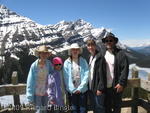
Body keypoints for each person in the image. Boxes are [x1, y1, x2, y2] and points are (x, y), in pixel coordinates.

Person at [101, 32, 129, 113]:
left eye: (111, 40)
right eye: (107, 41)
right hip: (106, 87)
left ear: (114, 42)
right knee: (107, 107)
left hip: (116, 86)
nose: (108, 42)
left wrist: (121, 83)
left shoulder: (121, 54)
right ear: (105, 42)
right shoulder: (103, 53)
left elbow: (125, 69)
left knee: (117, 107)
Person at [26, 45, 53, 113]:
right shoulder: (34, 66)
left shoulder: (49, 64)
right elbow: (30, 81)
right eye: (42, 53)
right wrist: (29, 96)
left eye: (45, 53)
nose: (44, 55)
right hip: (37, 92)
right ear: (39, 54)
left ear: (47, 55)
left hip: (46, 92)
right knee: (39, 111)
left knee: (45, 110)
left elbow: (52, 76)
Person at [63, 43, 89, 113]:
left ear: (79, 51)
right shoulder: (66, 62)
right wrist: (73, 89)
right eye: (73, 50)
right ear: (70, 51)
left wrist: (80, 88)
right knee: (74, 109)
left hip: (82, 91)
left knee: (83, 110)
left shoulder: (83, 61)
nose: (75, 51)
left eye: (76, 49)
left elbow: (87, 74)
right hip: (72, 91)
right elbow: (66, 77)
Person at [85, 38, 107, 113]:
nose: (90, 47)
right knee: (94, 107)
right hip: (91, 88)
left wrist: (100, 88)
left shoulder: (100, 57)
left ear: (95, 46)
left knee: (100, 108)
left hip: (98, 89)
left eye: (92, 45)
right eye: (89, 45)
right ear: (87, 47)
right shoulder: (90, 57)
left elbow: (103, 74)